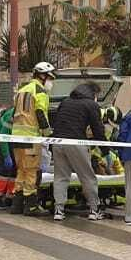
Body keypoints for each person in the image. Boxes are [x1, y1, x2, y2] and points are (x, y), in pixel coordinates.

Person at [47, 80, 106, 221]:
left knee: (60, 177)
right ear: (93, 93)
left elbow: (57, 122)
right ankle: (94, 209)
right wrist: (105, 148)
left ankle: (59, 210)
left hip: (58, 142)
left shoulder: (65, 102)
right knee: (87, 176)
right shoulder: (91, 105)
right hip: (76, 142)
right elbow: (97, 128)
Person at [9, 61, 55, 215]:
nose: (51, 81)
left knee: (21, 170)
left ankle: (16, 205)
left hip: (16, 137)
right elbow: (40, 113)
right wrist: (49, 135)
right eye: (50, 77)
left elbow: (13, 112)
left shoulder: (22, 90)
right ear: (42, 76)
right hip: (31, 138)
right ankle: (31, 206)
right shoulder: (40, 91)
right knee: (32, 171)